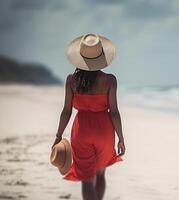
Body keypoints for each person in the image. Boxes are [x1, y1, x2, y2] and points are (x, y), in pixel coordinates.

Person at [52, 33, 125, 200]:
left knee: (86, 180)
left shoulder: (71, 81)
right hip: (104, 132)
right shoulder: (110, 80)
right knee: (100, 175)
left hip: (81, 131)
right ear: (101, 57)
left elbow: (66, 111)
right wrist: (121, 138)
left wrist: (58, 136)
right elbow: (114, 112)